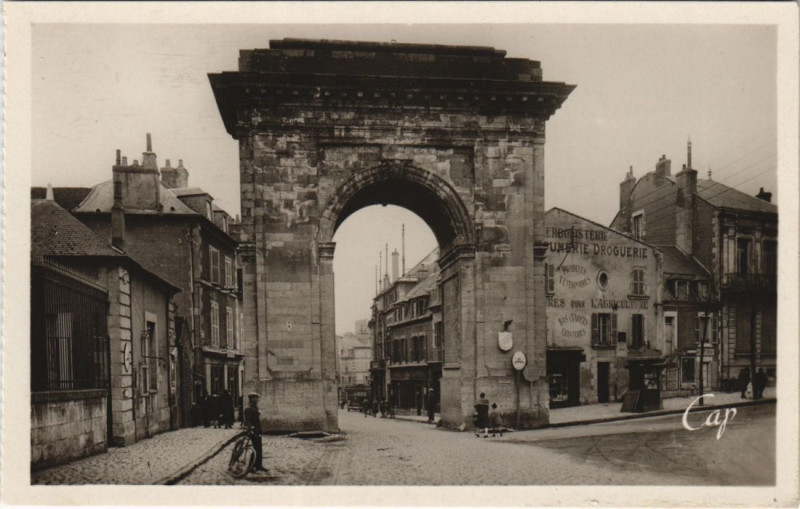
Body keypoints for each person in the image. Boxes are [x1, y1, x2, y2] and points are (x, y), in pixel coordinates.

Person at [243, 392, 266, 472]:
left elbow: (256, 420)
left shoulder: (255, 408)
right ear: (252, 399)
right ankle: (251, 466)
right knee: (256, 449)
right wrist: (250, 430)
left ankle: (259, 466)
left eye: (257, 398)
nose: (257, 399)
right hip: (253, 432)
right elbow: (248, 421)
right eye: (256, 398)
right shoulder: (249, 409)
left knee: (259, 449)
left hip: (257, 431)